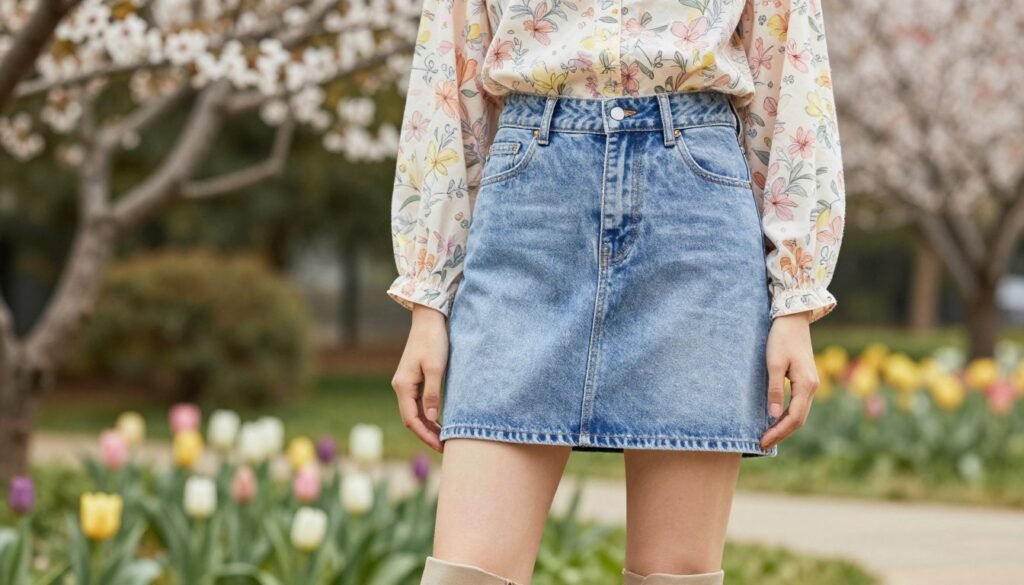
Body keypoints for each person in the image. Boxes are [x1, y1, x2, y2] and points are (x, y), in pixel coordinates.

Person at [388, 0, 845, 582]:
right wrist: (428, 297)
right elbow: (448, 67)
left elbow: (790, 64)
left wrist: (796, 297)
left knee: (673, 574)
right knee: (467, 570)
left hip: (694, 217)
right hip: (528, 211)